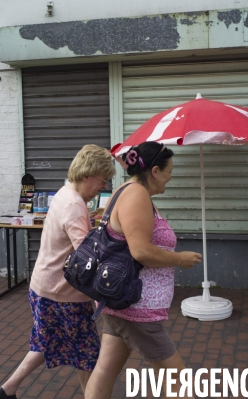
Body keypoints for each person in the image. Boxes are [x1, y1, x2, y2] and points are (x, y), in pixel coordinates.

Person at [0, 144, 116, 399]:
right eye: (103, 180)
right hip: (63, 295)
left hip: (44, 287)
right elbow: (87, 258)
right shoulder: (74, 205)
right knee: (88, 356)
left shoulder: (65, 193)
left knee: (47, 343)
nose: (103, 187)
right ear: (88, 174)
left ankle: (6, 390)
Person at [84, 142, 202, 399]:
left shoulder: (127, 191)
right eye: (169, 173)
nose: (170, 179)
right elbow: (140, 251)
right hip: (137, 308)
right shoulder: (136, 194)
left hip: (122, 302)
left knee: (105, 370)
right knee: (179, 381)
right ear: (155, 171)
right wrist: (178, 258)